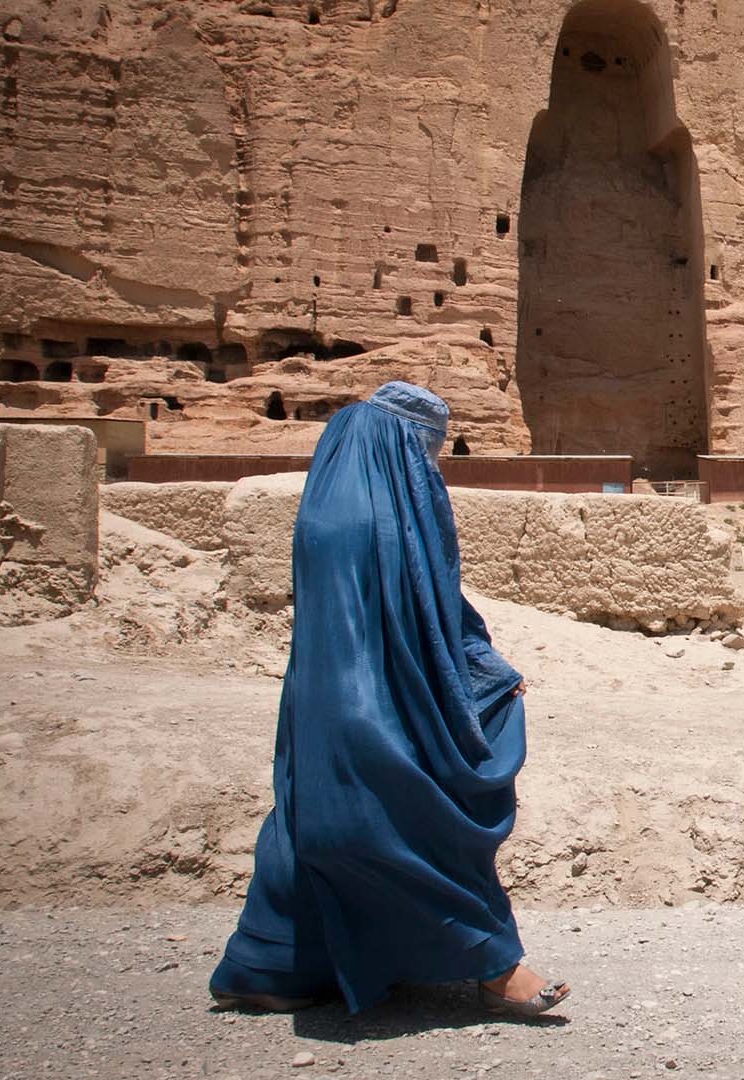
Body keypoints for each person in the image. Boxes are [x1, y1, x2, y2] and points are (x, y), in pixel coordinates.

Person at [208, 381, 570, 1017]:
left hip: (318, 698)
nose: (429, 464)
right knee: (402, 816)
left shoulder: (327, 504)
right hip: (372, 698)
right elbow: (423, 616)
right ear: (402, 442)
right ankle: (493, 964)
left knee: (306, 819)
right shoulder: (378, 519)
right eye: (426, 449)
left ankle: (268, 965)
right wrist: (484, 673)